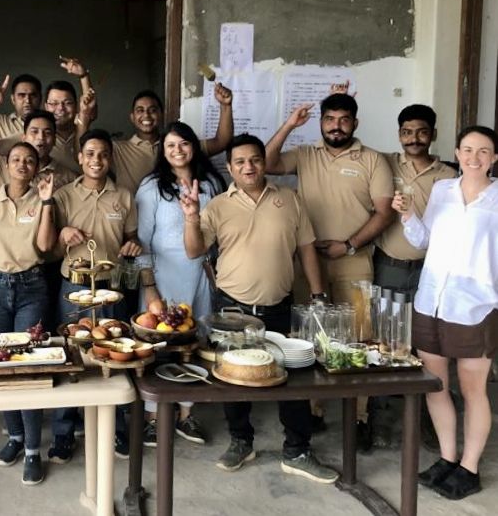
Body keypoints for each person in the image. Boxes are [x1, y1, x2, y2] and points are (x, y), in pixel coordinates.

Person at [181, 134, 337, 483]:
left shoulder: (290, 199)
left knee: (291, 380)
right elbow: (193, 251)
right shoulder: (218, 205)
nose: (248, 167)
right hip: (232, 310)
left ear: (264, 163)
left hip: (279, 306)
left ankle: (297, 450)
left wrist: (318, 295)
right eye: (239, 162)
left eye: (254, 160)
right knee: (233, 378)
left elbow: (308, 249)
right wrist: (191, 216)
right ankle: (241, 441)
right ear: (230, 168)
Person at [264, 93, 395, 448]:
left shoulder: (372, 160)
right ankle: (314, 409)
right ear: (320, 122)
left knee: (360, 340)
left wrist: (349, 244)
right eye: (329, 119)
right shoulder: (306, 155)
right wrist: (291, 124)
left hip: (353, 261)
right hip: (309, 262)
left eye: (343, 119)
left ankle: (360, 417)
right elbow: (265, 162)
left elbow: (384, 212)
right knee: (309, 338)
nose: (336, 125)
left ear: (355, 123)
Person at [393, 125, 498, 500]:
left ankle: (469, 468)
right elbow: (423, 240)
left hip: (475, 306)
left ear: (494, 158)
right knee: (435, 386)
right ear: (456, 152)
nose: (474, 158)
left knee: (473, 391)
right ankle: (447, 458)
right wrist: (407, 216)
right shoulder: (442, 191)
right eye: (468, 150)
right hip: (431, 301)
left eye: (483, 151)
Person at [47, 129, 145, 463]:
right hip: (73, 284)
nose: (96, 160)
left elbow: (132, 238)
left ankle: (116, 428)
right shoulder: (63, 196)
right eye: (90, 154)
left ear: (110, 158)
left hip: (111, 285)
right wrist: (62, 231)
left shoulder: (124, 196)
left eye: (103, 154)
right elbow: (46, 238)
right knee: (72, 353)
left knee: (112, 352)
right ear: (79, 157)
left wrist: (133, 246)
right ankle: (64, 431)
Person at [135, 121, 225, 447]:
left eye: (183, 144)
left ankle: (186, 415)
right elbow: (141, 241)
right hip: (163, 277)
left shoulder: (212, 184)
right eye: (171, 145)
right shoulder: (152, 187)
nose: (178, 151)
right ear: (163, 150)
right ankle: (153, 418)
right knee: (159, 347)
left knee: (195, 345)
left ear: (193, 147)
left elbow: (216, 233)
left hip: (199, 277)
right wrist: (149, 288)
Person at [0, 142, 57, 486]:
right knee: (1, 363)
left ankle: (34, 449)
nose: (23, 165)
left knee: (29, 365)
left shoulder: (43, 200)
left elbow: (46, 246)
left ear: (38, 166)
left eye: (30, 160)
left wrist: (48, 200)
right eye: (16, 160)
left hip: (31, 287)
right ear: (5, 165)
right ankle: (16, 437)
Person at [78, 85, 234, 196]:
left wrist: (225, 106)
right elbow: (84, 150)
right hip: (130, 218)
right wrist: (84, 116)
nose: (146, 115)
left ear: (161, 115)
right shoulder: (118, 149)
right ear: (132, 117)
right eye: (140, 110)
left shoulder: (178, 146)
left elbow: (222, 141)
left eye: (153, 110)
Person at [375, 105, 457, 296]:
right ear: (399, 135)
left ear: (433, 134)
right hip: (388, 265)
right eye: (407, 133)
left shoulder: (449, 176)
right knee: (386, 322)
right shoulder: (384, 163)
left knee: (424, 324)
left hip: (430, 267)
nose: (414, 139)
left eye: (422, 133)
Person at [0, 75, 76, 192]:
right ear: (23, 137)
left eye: (47, 133)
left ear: (55, 139)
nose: (40, 138)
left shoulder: (68, 177)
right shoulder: (3, 167)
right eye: (34, 132)